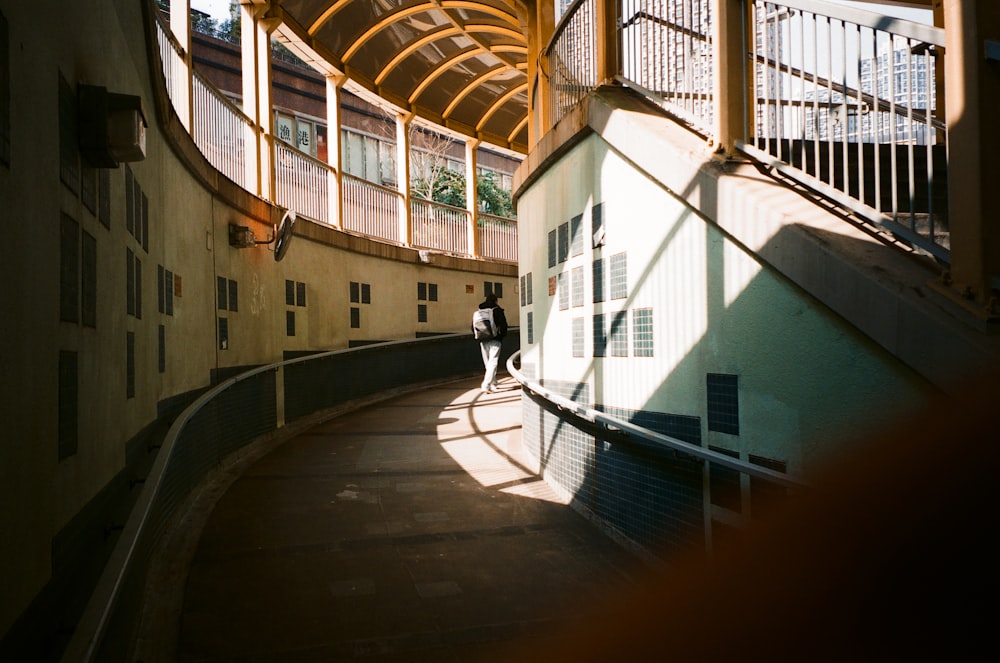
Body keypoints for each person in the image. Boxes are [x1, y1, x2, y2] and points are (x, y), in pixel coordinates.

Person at [473, 292, 507, 393]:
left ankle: (493, 383)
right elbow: (504, 325)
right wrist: (501, 336)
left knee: (488, 363)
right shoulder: (497, 310)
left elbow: (473, 326)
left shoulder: (479, 311)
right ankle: (486, 385)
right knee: (493, 362)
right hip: (495, 339)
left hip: (482, 339)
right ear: (496, 300)